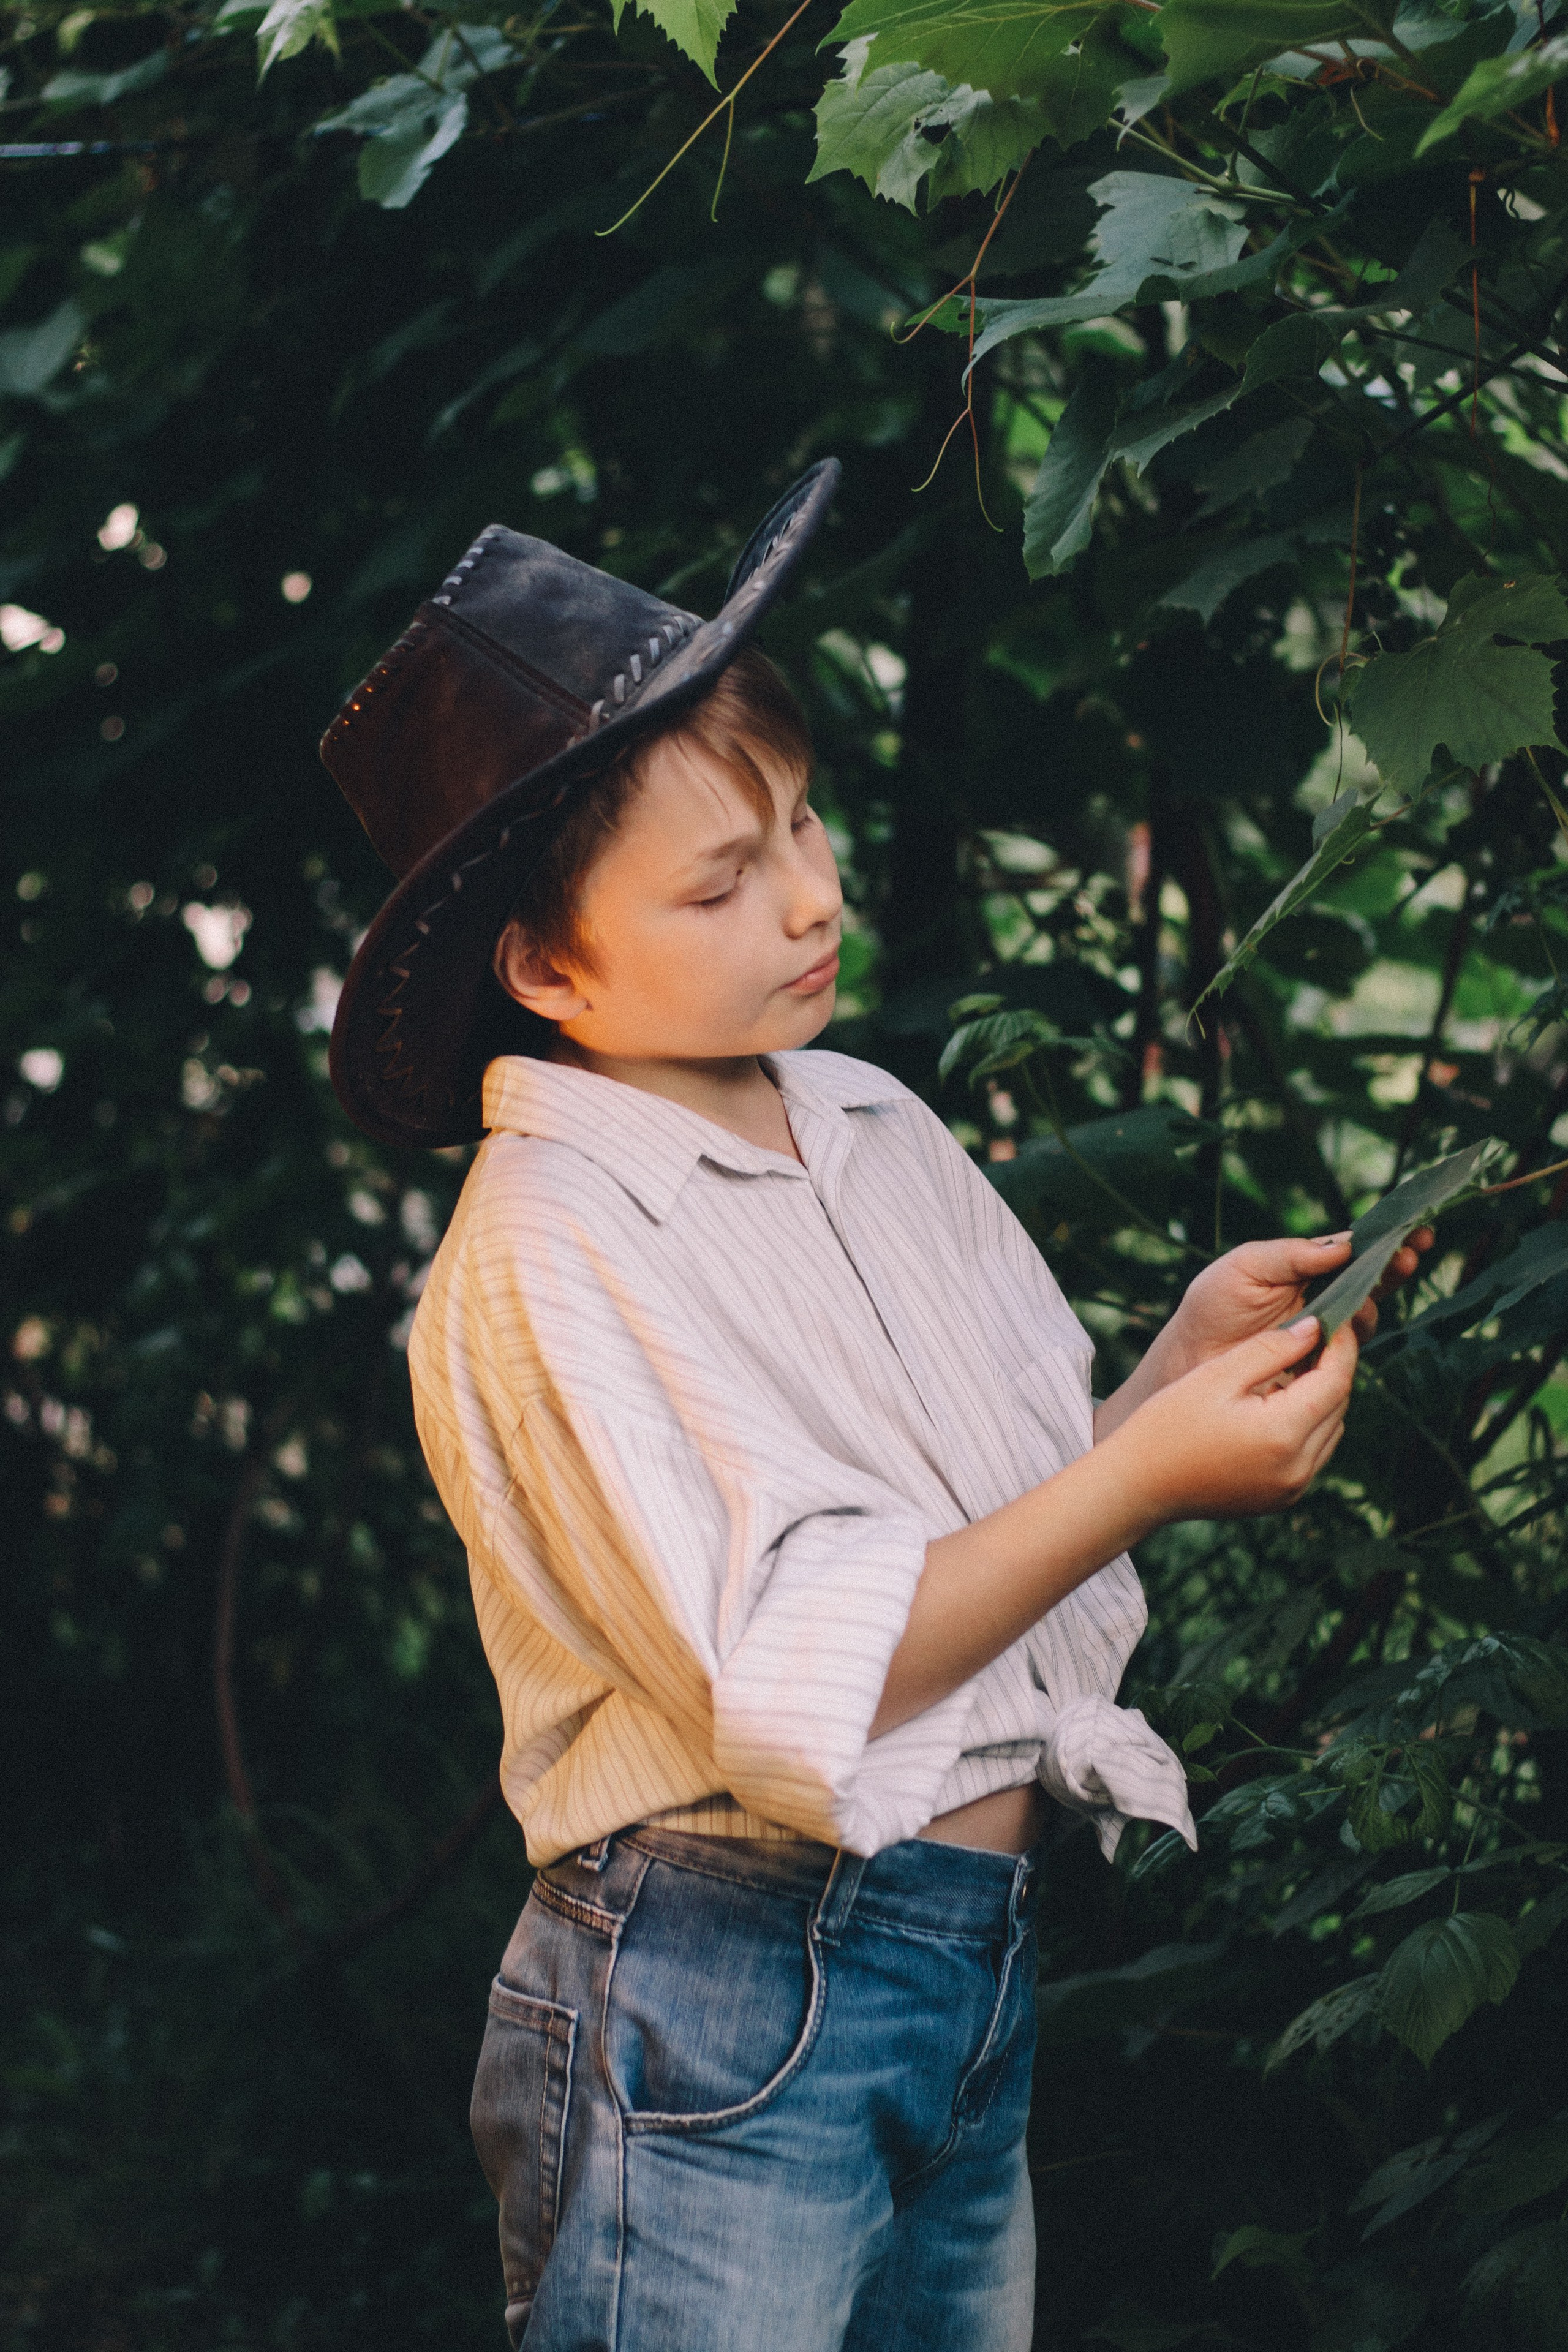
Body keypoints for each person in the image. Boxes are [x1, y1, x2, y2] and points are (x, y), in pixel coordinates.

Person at [318, 461, 1428, 2352]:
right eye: (722, 879)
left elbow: (993, 1528)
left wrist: (1167, 1384)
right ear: (549, 966)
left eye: (808, 825)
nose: (813, 897)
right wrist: (1151, 1470)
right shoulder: (550, 1244)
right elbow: (804, 1664)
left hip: (958, 1963)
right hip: (721, 1987)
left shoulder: (867, 1120)